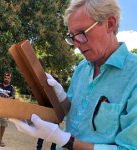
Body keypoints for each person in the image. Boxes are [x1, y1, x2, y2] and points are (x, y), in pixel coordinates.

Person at [9, 0, 137, 149]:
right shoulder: (82, 67)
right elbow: (72, 111)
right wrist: (61, 97)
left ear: (110, 23)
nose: (76, 44)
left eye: (82, 33)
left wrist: (65, 140)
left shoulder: (133, 75)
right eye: (72, 36)